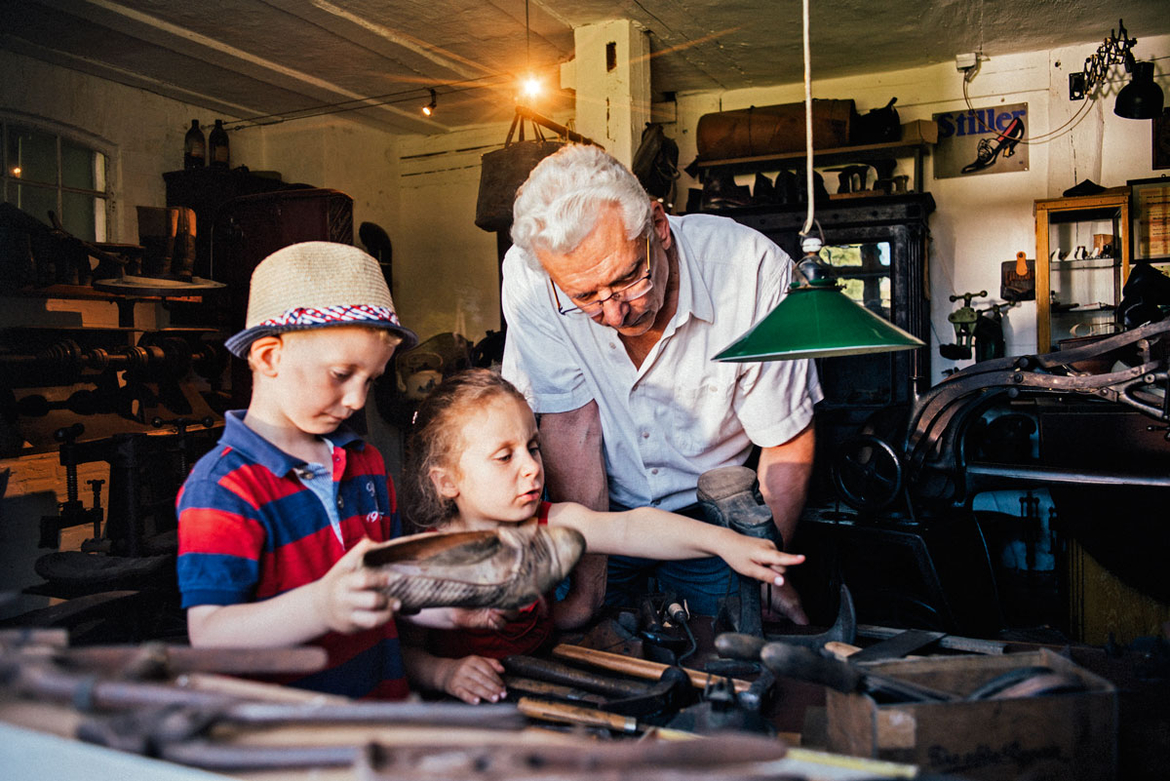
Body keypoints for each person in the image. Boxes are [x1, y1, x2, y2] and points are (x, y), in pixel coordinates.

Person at [501, 144, 823, 627]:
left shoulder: (751, 272)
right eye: (585, 297)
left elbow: (785, 438)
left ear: (659, 225)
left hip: (715, 522)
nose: (614, 313)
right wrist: (589, 594)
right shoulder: (532, 281)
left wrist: (766, 573)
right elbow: (571, 426)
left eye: (630, 278)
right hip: (600, 515)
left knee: (731, 644)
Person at [397, 368, 805, 704]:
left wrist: (725, 542)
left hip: (543, 689)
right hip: (464, 712)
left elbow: (631, 527)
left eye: (533, 447)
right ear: (447, 481)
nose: (531, 468)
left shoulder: (547, 525)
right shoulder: (426, 559)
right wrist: (444, 673)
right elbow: (399, 651)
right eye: (505, 456)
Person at [177, 241, 427, 700]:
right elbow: (210, 633)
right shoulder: (224, 489)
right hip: (293, 742)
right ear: (269, 357)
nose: (356, 400)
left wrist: (451, 606)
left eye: (369, 380)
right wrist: (320, 606)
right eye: (340, 374)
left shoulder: (367, 465)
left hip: (381, 714)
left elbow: (388, 590)